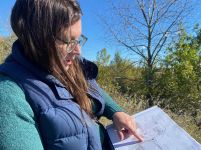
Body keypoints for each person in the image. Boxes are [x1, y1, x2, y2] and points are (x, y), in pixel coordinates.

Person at [0, 0, 143, 150]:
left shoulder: (69, 64)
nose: (78, 51)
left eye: (78, 40)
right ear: (37, 40)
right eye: (68, 42)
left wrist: (116, 112)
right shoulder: (9, 94)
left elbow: (94, 91)